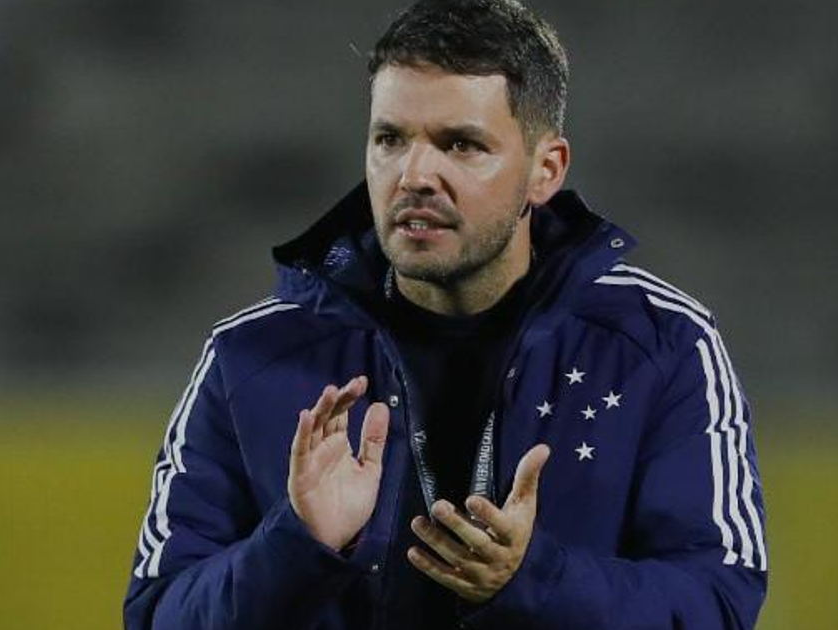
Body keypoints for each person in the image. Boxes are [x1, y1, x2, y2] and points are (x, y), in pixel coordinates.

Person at [123, 1, 768, 628]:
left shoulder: (662, 344)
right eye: (390, 139)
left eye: (461, 144)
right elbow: (156, 616)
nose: (415, 174)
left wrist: (535, 582)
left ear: (545, 171)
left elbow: (719, 602)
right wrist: (297, 545)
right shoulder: (252, 356)